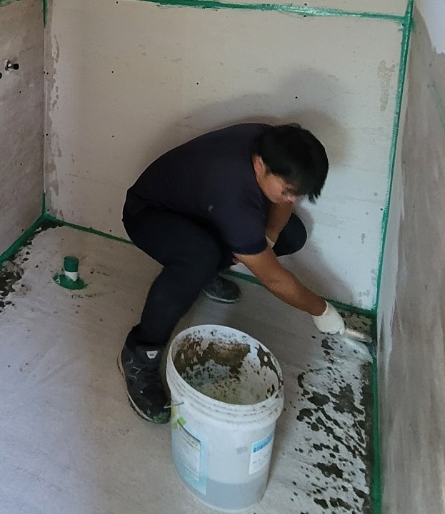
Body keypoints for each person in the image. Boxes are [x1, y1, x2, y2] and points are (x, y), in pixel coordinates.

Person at [118, 121, 346, 423]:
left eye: (298, 193)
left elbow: (282, 204)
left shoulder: (274, 144)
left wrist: (268, 237)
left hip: (199, 209)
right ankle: (140, 353)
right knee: (199, 258)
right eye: (288, 191)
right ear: (260, 164)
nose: (293, 199)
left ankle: (203, 271)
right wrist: (321, 309)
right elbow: (273, 279)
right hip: (149, 214)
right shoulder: (231, 190)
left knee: (290, 235)